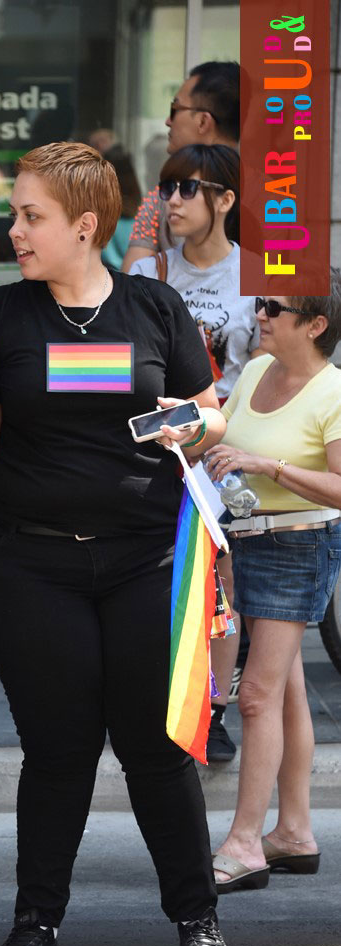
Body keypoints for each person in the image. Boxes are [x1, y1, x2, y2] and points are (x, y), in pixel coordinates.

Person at [0, 141, 233, 946]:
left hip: (147, 559)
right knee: (60, 746)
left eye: (32, 216)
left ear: (85, 225)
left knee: (157, 744)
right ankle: (37, 921)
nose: (15, 229)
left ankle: (197, 916)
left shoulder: (153, 306)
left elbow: (209, 413)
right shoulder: (1, 312)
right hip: (29, 565)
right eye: (17, 214)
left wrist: (194, 422)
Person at [204, 278, 341, 892]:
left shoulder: (333, 391)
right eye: (259, 304)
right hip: (250, 539)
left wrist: (269, 466)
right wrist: (183, 425)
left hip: (298, 542)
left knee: (255, 695)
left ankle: (244, 843)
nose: (258, 315)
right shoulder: (259, 369)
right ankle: (292, 833)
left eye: (274, 308)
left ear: (315, 325)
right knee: (283, 691)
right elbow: (218, 433)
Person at [131, 144, 259, 762]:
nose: (172, 201)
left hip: (222, 450)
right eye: (166, 188)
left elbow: (266, 373)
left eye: (188, 188)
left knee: (222, 585)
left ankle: (213, 707)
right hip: (154, 450)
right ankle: (158, 699)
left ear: (226, 199)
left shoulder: (259, 275)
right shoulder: (152, 273)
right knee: (157, 578)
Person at [122, 61, 239, 274]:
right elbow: (131, 290)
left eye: (175, 109)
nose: (168, 121)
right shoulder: (159, 198)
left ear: (203, 122)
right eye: (170, 188)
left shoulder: (272, 202)